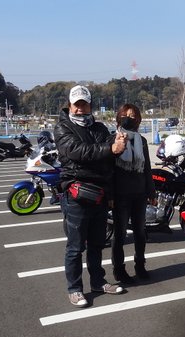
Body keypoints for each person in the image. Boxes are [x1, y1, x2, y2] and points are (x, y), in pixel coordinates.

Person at [54, 85, 128, 308]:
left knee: (97, 244)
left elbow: (109, 164)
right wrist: (110, 149)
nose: (80, 109)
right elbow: (77, 152)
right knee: (75, 247)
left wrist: (111, 194)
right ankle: (74, 289)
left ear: (90, 105)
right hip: (76, 195)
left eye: (84, 104)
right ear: (70, 106)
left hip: (101, 194)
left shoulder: (100, 128)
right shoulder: (62, 128)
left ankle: (98, 282)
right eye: (76, 105)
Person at [111, 104, 156, 284]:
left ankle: (140, 264)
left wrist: (151, 191)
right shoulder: (113, 139)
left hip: (139, 192)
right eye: (126, 115)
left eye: (133, 116)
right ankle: (119, 269)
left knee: (140, 232)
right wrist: (110, 196)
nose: (129, 118)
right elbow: (109, 170)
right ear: (119, 117)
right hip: (120, 194)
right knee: (120, 234)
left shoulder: (141, 141)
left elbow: (147, 168)